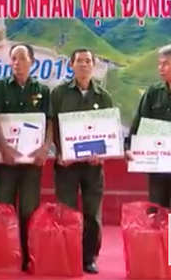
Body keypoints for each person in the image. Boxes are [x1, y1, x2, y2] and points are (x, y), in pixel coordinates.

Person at [0, 43, 51, 271]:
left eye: (22, 58)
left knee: (29, 210)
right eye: (13, 58)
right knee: (6, 209)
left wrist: (45, 147)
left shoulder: (42, 90)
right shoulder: (0, 87)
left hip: (32, 163)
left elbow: (50, 121)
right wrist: (4, 147)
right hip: (6, 163)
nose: (17, 63)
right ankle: (6, 255)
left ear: (32, 62)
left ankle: (29, 256)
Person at [49, 48, 113, 275]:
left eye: (88, 61)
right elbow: (52, 124)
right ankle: (66, 254)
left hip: (93, 166)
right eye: (79, 61)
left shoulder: (103, 96)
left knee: (92, 213)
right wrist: (59, 151)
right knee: (66, 211)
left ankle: (88, 257)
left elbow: (109, 130)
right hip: (66, 165)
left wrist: (102, 154)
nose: (84, 65)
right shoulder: (59, 93)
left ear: (93, 65)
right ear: (71, 65)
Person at [125, 44, 171, 208]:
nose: (161, 68)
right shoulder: (153, 92)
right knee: (157, 208)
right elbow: (139, 121)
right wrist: (128, 146)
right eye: (159, 64)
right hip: (157, 164)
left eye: (166, 64)